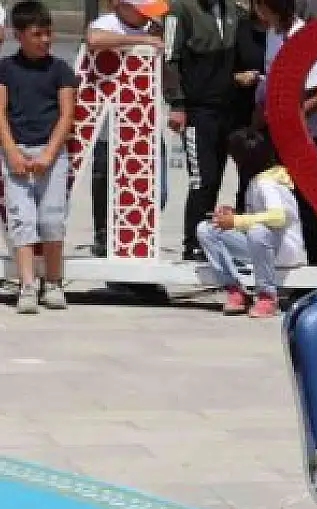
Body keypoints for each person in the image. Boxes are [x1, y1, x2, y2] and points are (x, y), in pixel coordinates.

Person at [0, 1, 76, 314]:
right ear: (18, 35)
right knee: (22, 219)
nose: (45, 40)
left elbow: (67, 115)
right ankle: (27, 285)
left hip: (51, 154)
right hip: (15, 153)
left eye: (48, 33)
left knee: (51, 218)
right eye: (37, 34)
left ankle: (53, 282)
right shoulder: (5, 69)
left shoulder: (60, 69)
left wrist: (48, 154)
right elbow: (0, 114)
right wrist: (12, 153)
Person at [85, 0, 170, 259]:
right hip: (109, 123)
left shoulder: (153, 28)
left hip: (143, 122)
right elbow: (94, 39)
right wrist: (142, 41)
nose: (147, 17)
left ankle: (134, 234)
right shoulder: (106, 24)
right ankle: (104, 237)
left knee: (156, 190)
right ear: (120, 6)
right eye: (141, 10)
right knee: (105, 182)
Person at [196, 128, 306, 318]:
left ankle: (267, 296)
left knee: (257, 231)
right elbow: (259, 217)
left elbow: (278, 217)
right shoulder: (257, 181)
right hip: (263, 245)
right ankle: (234, 289)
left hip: (283, 250)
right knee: (206, 229)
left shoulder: (268, 183)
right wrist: (233, 216)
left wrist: (237, 220)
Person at [258, 0, 317, 266]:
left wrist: (290, 116)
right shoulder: (273, 34)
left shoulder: (302, 36)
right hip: (284, 130)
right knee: (283, 199)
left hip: (310, 133)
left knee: (308, 202)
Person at [164, 0, 242, 262]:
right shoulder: (180, 10)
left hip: (228, 109)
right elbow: (169, 57)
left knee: (218, 178)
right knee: (202, 179)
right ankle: (193, 244)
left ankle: (214, 241)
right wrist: (176, 103)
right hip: (198, 111)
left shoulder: (233, 10)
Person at [230, 0, 266, 208]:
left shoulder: (285, 30)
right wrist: (238, 77)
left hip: (277, 113)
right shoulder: (240, 28)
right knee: (248, 175)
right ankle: (244, 216)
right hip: (246, 114)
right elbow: (225, 71)